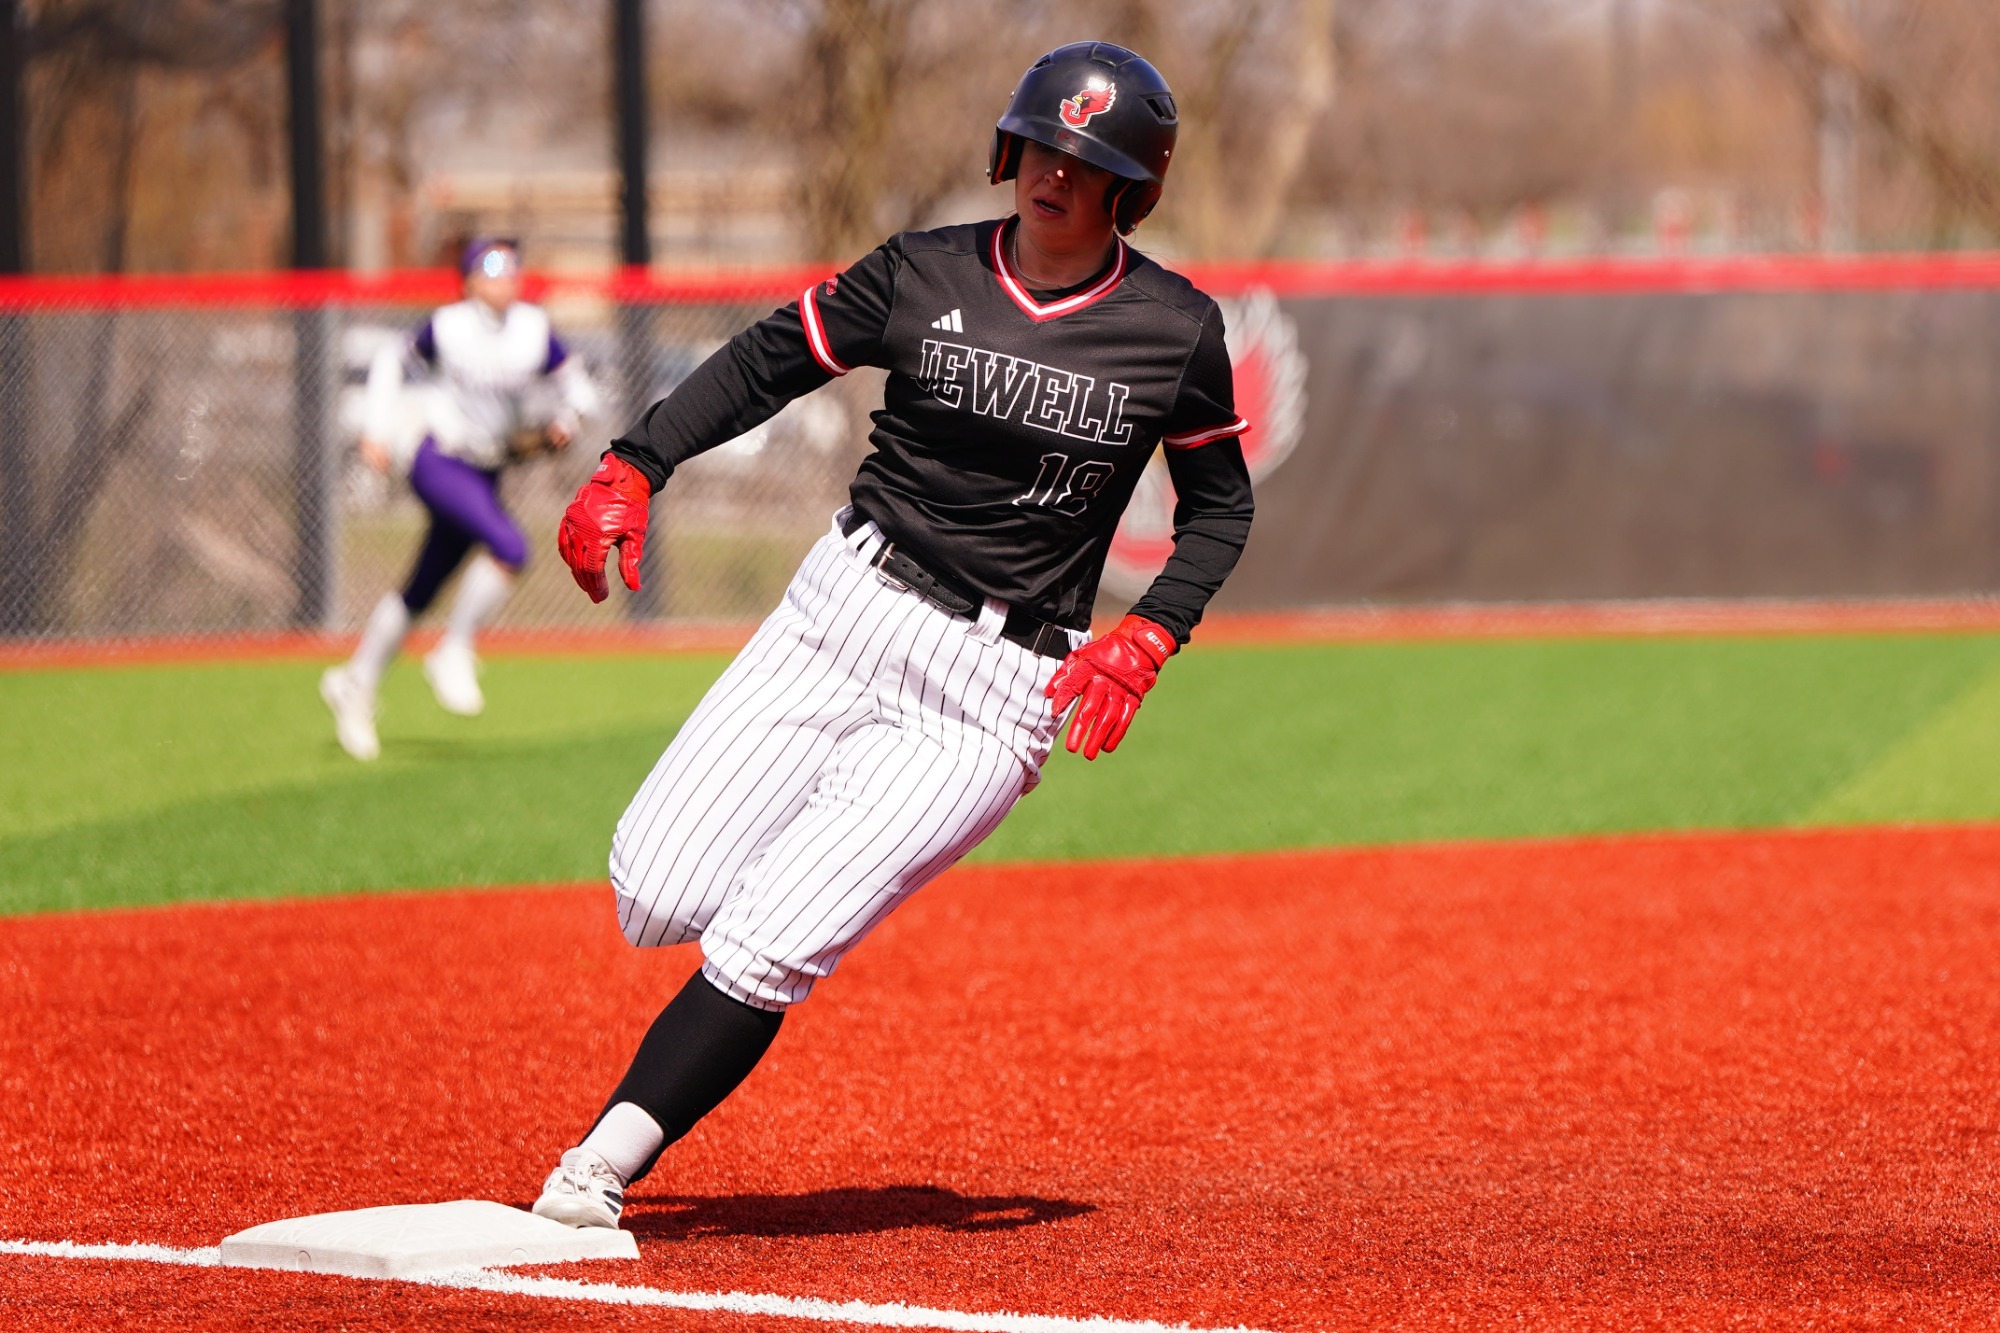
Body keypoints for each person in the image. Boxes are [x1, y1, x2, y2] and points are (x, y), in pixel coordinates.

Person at [531, 41, 1254, 1229]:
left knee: (772, 939)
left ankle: (596, 1167)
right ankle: (750, 916)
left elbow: (1220, 508)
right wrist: (633, 458)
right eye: (1039, 148)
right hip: (841, 614)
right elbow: (770, 360)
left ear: (1133, 186)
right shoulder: (921, 272)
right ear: (1007, 151)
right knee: (653, 890)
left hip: (993, 685)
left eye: (1086, 162)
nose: (1053, 176)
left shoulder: (1172, 329)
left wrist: (1152, 634)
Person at [320, 238, 600, 761]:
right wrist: (377, 430)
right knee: (511, 549)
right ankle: (452, 651)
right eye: (491, 267)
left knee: (422, 588)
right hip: (439, 459)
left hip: (487, 469)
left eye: (511, 266)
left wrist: (567, 419)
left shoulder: (532, 330)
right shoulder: (449, 326)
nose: (504, 277)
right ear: (469, 279)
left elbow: (578, 386)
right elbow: (388, 360)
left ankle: (355, 683)